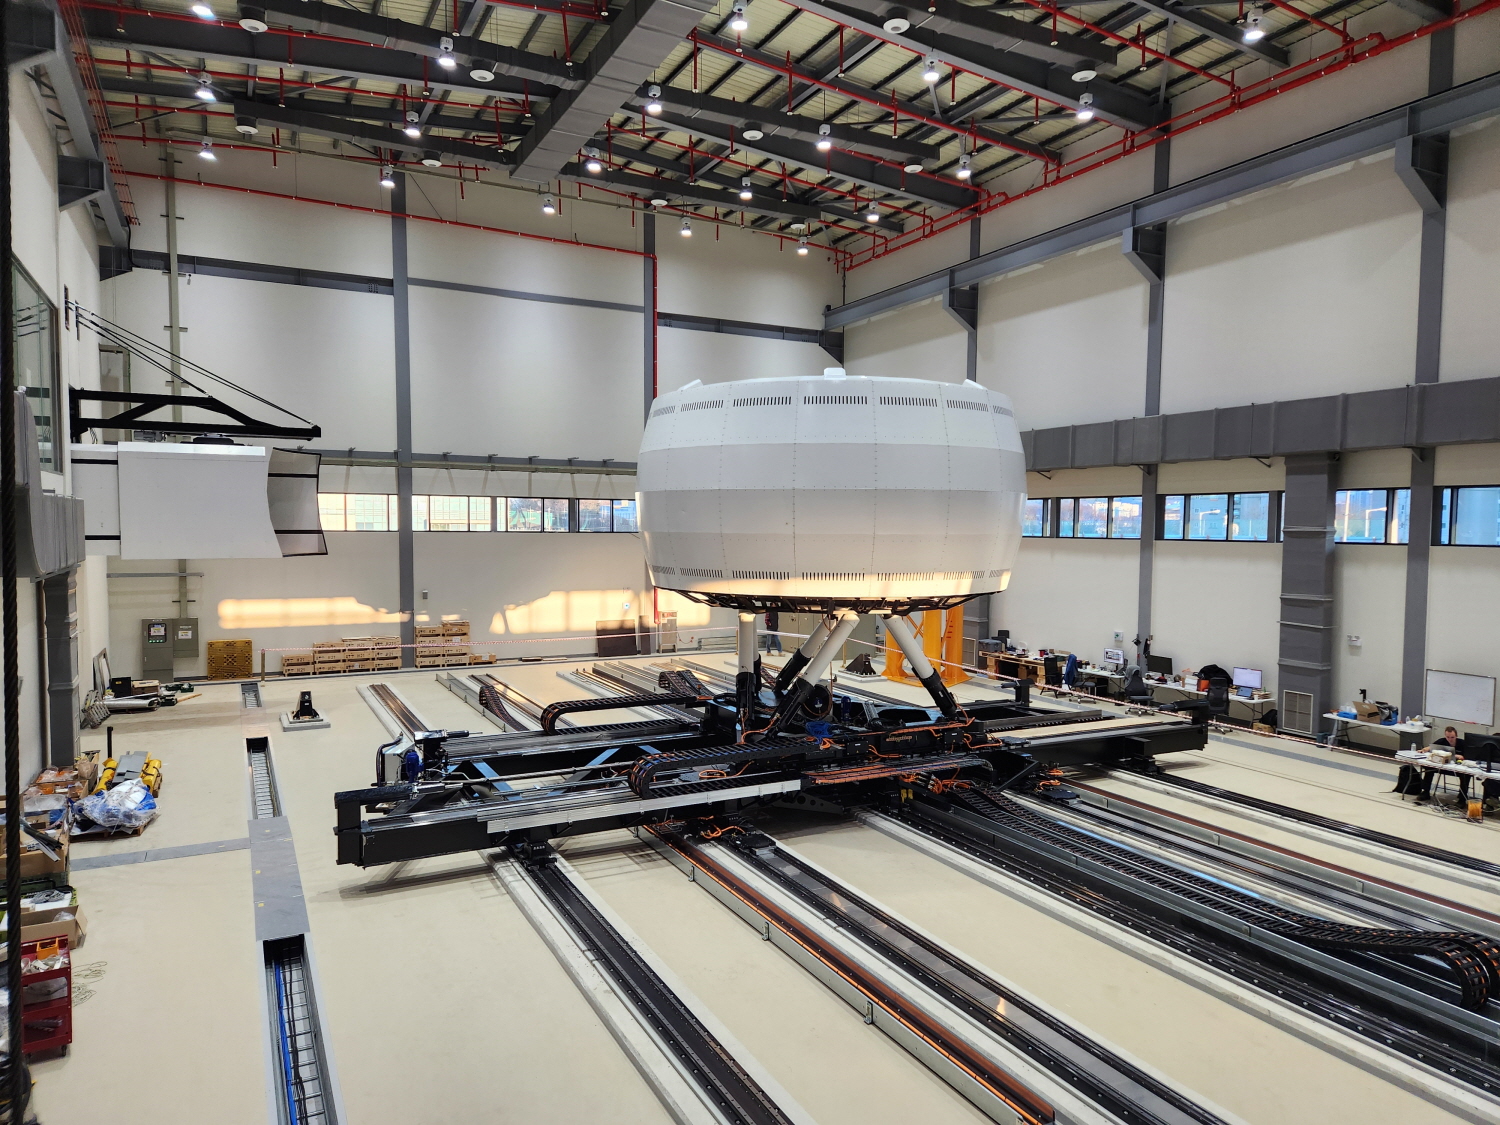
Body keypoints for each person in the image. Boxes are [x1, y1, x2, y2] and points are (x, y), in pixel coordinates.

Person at [1394, 726, 1457, 802]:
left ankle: (1462, 798)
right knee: (1429, 768)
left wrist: (1458, 756)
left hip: (1455, 769)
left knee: (1466, 775)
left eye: (1452, 737)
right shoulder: (1442, 741)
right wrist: (1423, 750)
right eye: (1448, 737)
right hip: (1441, 767)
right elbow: (1430, 747)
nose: (1450, 739)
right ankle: (1425, 792)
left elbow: (1466, 756)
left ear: (1456, 736)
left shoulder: (1461, 743)